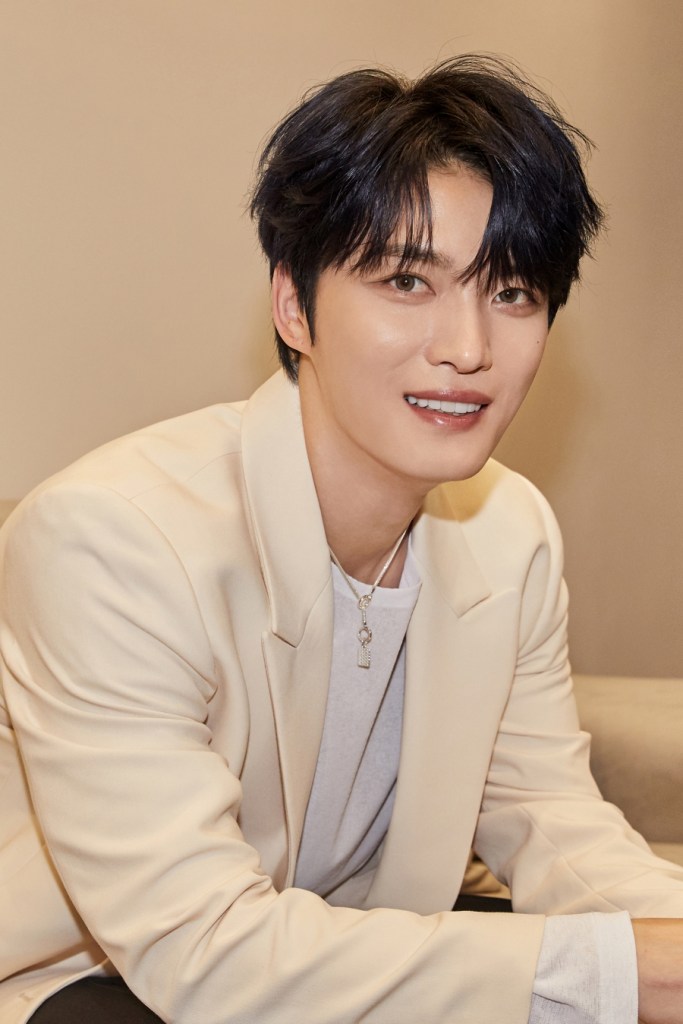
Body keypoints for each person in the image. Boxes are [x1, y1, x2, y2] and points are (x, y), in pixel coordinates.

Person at [0, 54, 682, 1024]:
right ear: (294, 303)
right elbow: (204, 954)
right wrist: (623, 974)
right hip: (99, 979)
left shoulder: (510, 530)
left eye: (511, 292)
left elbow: (551, 824)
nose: (467, 348)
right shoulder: (111, 540)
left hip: (354, 954)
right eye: (406, 280)